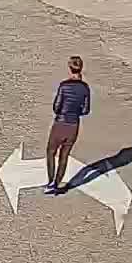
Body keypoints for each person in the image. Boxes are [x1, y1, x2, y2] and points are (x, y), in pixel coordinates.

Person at [46, 56, 92, 193]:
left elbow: (56, 107)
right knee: (64, 155)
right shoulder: (85, 88)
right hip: (73, 125)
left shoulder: (64, 86)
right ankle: (57, 183)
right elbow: (86, 110)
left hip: (60, 124)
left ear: (70, 68)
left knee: (51, 151)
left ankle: (50, 181)